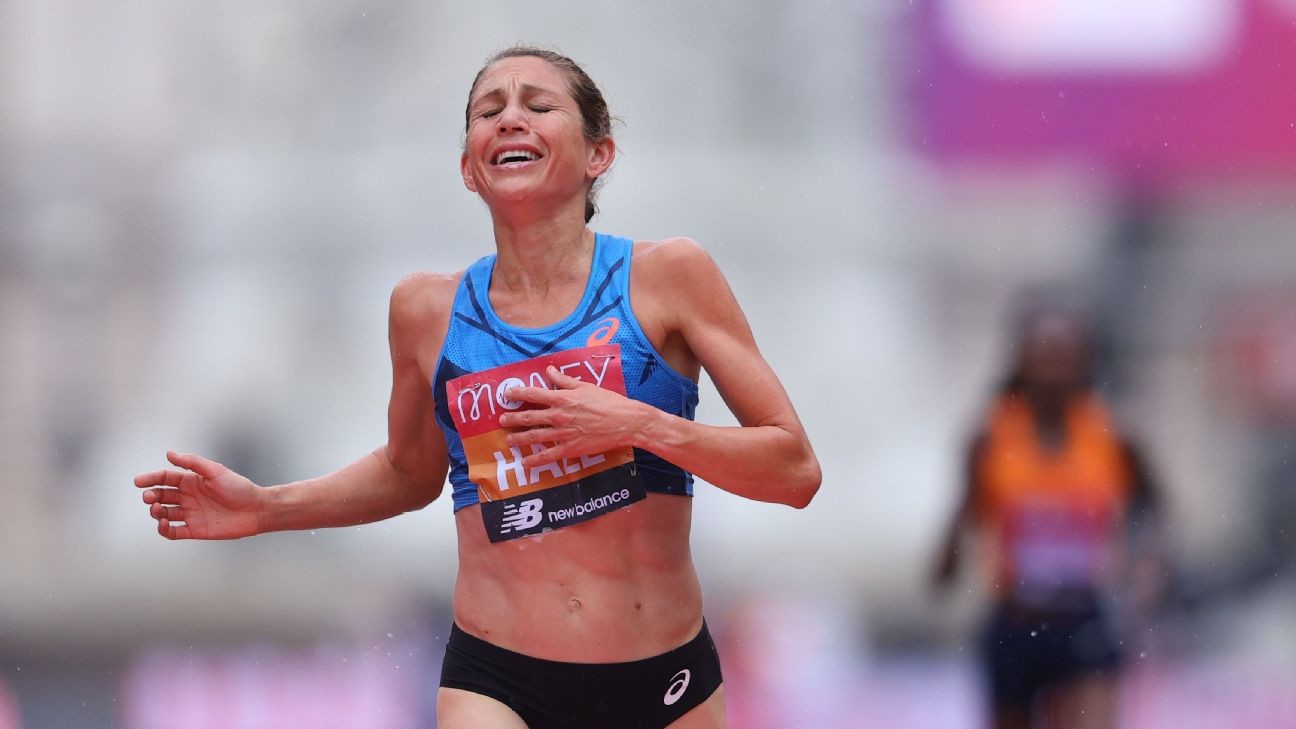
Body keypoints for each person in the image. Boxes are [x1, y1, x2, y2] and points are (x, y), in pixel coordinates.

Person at [132, 45, 821, 729]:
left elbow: (794, 470)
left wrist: (637, 425)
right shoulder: (425, 311)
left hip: (662, 679)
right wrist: (265, 507)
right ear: (469, 167)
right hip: (495, 679)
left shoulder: (669, 276)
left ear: (598, 154)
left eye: (538, 105)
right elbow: (408, 473)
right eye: (489, 112)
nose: (510, 118)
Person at [933, 306, 1163, 729]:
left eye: (1064, 358)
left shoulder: (1114, 437)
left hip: (1084, 618)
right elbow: (961, 520)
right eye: (1043, 357)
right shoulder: (991, 439)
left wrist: (1143, 566)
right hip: (1015, 619)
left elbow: (1150, 508)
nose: (1053, 372)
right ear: (1020, 363)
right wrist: (947, 563)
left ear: (1085, 363)